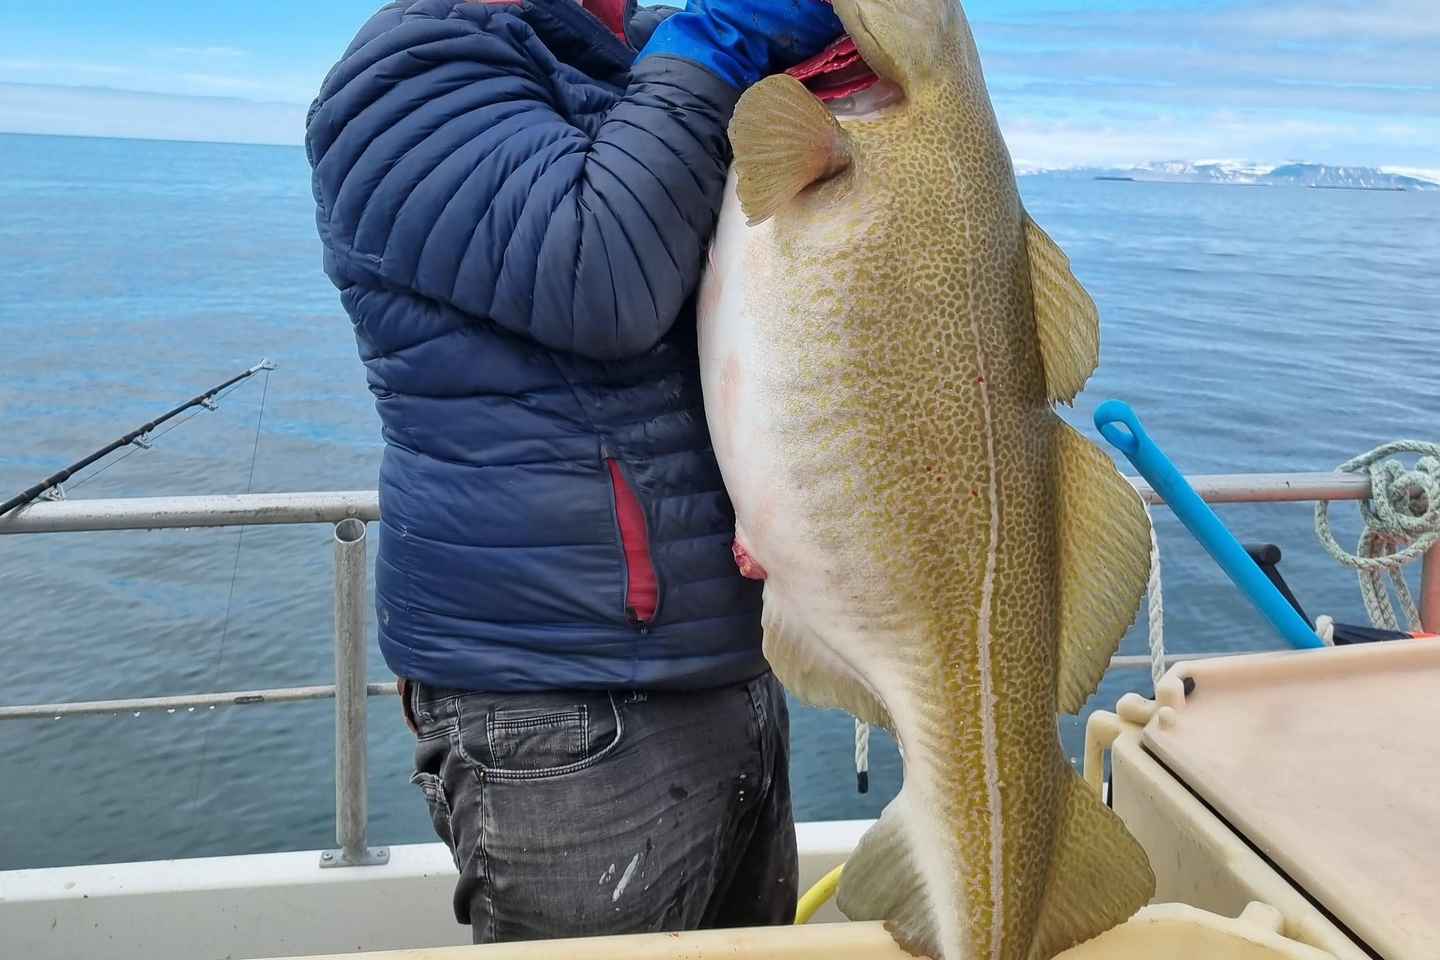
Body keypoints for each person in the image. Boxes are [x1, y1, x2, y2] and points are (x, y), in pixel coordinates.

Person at [304, 0, 845, 945]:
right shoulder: (407, 76)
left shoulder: (628, 65)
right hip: (559, 700)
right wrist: (710, 46)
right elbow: (603, 273)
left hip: (727, 664)